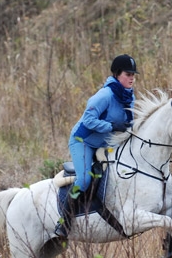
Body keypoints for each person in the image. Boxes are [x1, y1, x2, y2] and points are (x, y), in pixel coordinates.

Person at [55, 54, 138, 238]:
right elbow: (88, 120)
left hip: (105, 143)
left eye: (133, 74)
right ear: (117, 74)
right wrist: (111, 126)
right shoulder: (104, 95)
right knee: (85, 179)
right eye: (128, 74)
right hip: (82, 141)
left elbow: (129, 123)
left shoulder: (129, 97)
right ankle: (64, 221)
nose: (132, 78)